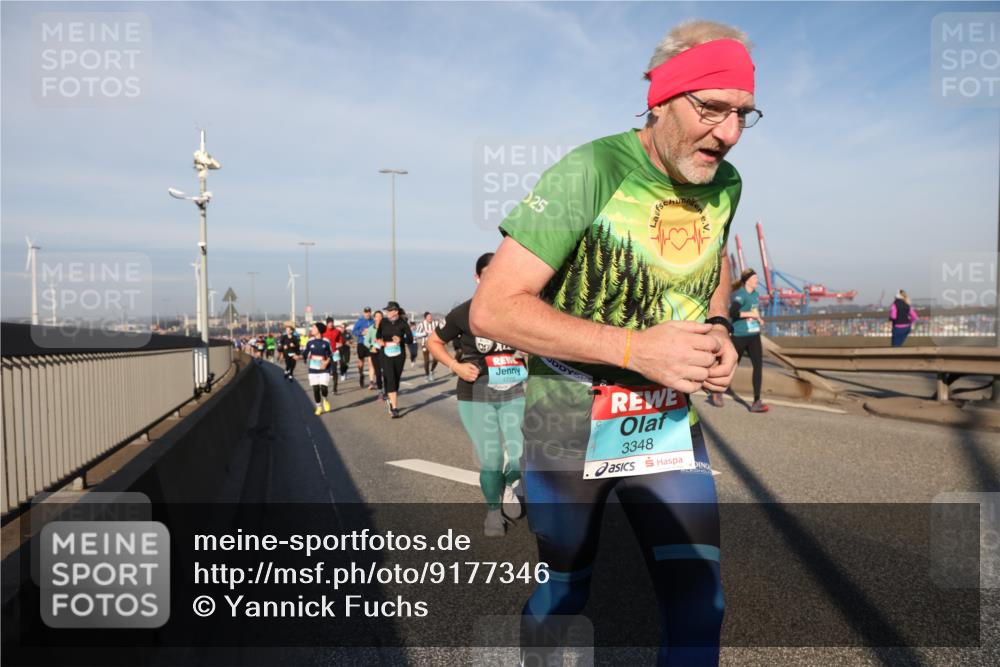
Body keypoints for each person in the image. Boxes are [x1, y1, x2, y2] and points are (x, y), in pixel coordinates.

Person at [470, 19, 756, 665]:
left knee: (700, 601)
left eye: (743, 113)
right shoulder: (593, 169)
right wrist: (634, 349)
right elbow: (494, 308)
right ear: (661, 98)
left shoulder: (725, 182)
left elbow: (713, 265)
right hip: (568, 417)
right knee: (567, 589)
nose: (730, 133)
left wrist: (718, 327)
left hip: (663, 419)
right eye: (711, 108)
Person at [428, 253, 526, 536]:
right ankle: (493, 512)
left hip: (513, 390)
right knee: (492, 458)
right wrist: (455, 366)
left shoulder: (518, 309)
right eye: (488, 274)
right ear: (477, 278)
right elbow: (434, 342)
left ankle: (508, 486)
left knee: (523, 455)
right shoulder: (463, 313)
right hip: (475, 394)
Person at [709, 268, 768, 412]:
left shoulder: (755, 295)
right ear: (747, 280)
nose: (757, 281)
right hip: (740, 335)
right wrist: (750, 315)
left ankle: (756, 401)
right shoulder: (740, 295)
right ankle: (717, 391)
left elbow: (754, 310)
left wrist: (758, 319)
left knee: (758, 367)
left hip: (754, 335)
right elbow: (732, 312)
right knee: (732, 365)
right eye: (755, 278)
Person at [376, 301, 413, 418]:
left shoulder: (403, 323)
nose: (387, 312)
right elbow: (378, 335)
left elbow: (410, 339)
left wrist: (401, 339)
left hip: (399, 354)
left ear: (396, 311)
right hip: (385, 353)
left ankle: (390, 398)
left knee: (396, 379)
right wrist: (379, 341)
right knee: (390, 378)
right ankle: (395, 408)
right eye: (386, 310)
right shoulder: (383, 322)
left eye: (389, 310)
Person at [303, 321, 334, 415]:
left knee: (324, 388)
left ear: (319, 330)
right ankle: (319, 407)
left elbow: (331, 354)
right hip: (313, 369)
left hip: (324, 368)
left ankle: (325, 399)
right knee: (316, 389)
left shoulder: (326, 341)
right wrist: (299, 356)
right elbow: (305, 352)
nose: (312, 329)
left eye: (314, 328)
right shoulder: (309, 341)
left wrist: (327, 362)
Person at [413, 311, 440, 382]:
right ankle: (427, 375)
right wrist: (424, 333)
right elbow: (416, 334)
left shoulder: (436, 323)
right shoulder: (422, 324)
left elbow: (441, 330)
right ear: (425, 318)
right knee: (427, 360)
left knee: (436, 358)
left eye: (431, 317)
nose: (430, 318)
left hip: (435, 343)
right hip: (425, 343)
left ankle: (431, 372)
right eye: (428, 317)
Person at [364, 310, 385, 397]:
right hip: (374, 352)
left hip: (384, 351)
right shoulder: (370, 329)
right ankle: (380, 391)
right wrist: (371, 346)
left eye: (380, 316)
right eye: (377, 316)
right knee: (378, 372)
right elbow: (366, 341)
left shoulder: (386, 328)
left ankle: (387, 389)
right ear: (374, 318)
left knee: (386, 372)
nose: (379, 318)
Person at [352, 307, 375, 388]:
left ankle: (371, 381)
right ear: (363, 313)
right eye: (366, 312)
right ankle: (361, 374)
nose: (367, 313)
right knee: (361, 363)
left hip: (370, 344)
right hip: (361, 343)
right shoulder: (359, 321)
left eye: (369, 312)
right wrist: (362, 332)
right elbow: (353, 332)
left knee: (371, 362)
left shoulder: (373, 321)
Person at [322, 317, 345, 394]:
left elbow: (340, 341)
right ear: (327, 323)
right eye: (329, 323)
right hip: (325, 354)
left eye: (332, 322)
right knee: (325, 371)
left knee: (334, 371)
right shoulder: (323, 331)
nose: (331, 324)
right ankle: (324, 387)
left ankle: (335, 388)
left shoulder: (337, 331)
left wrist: (339, 344)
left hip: (334, 353)